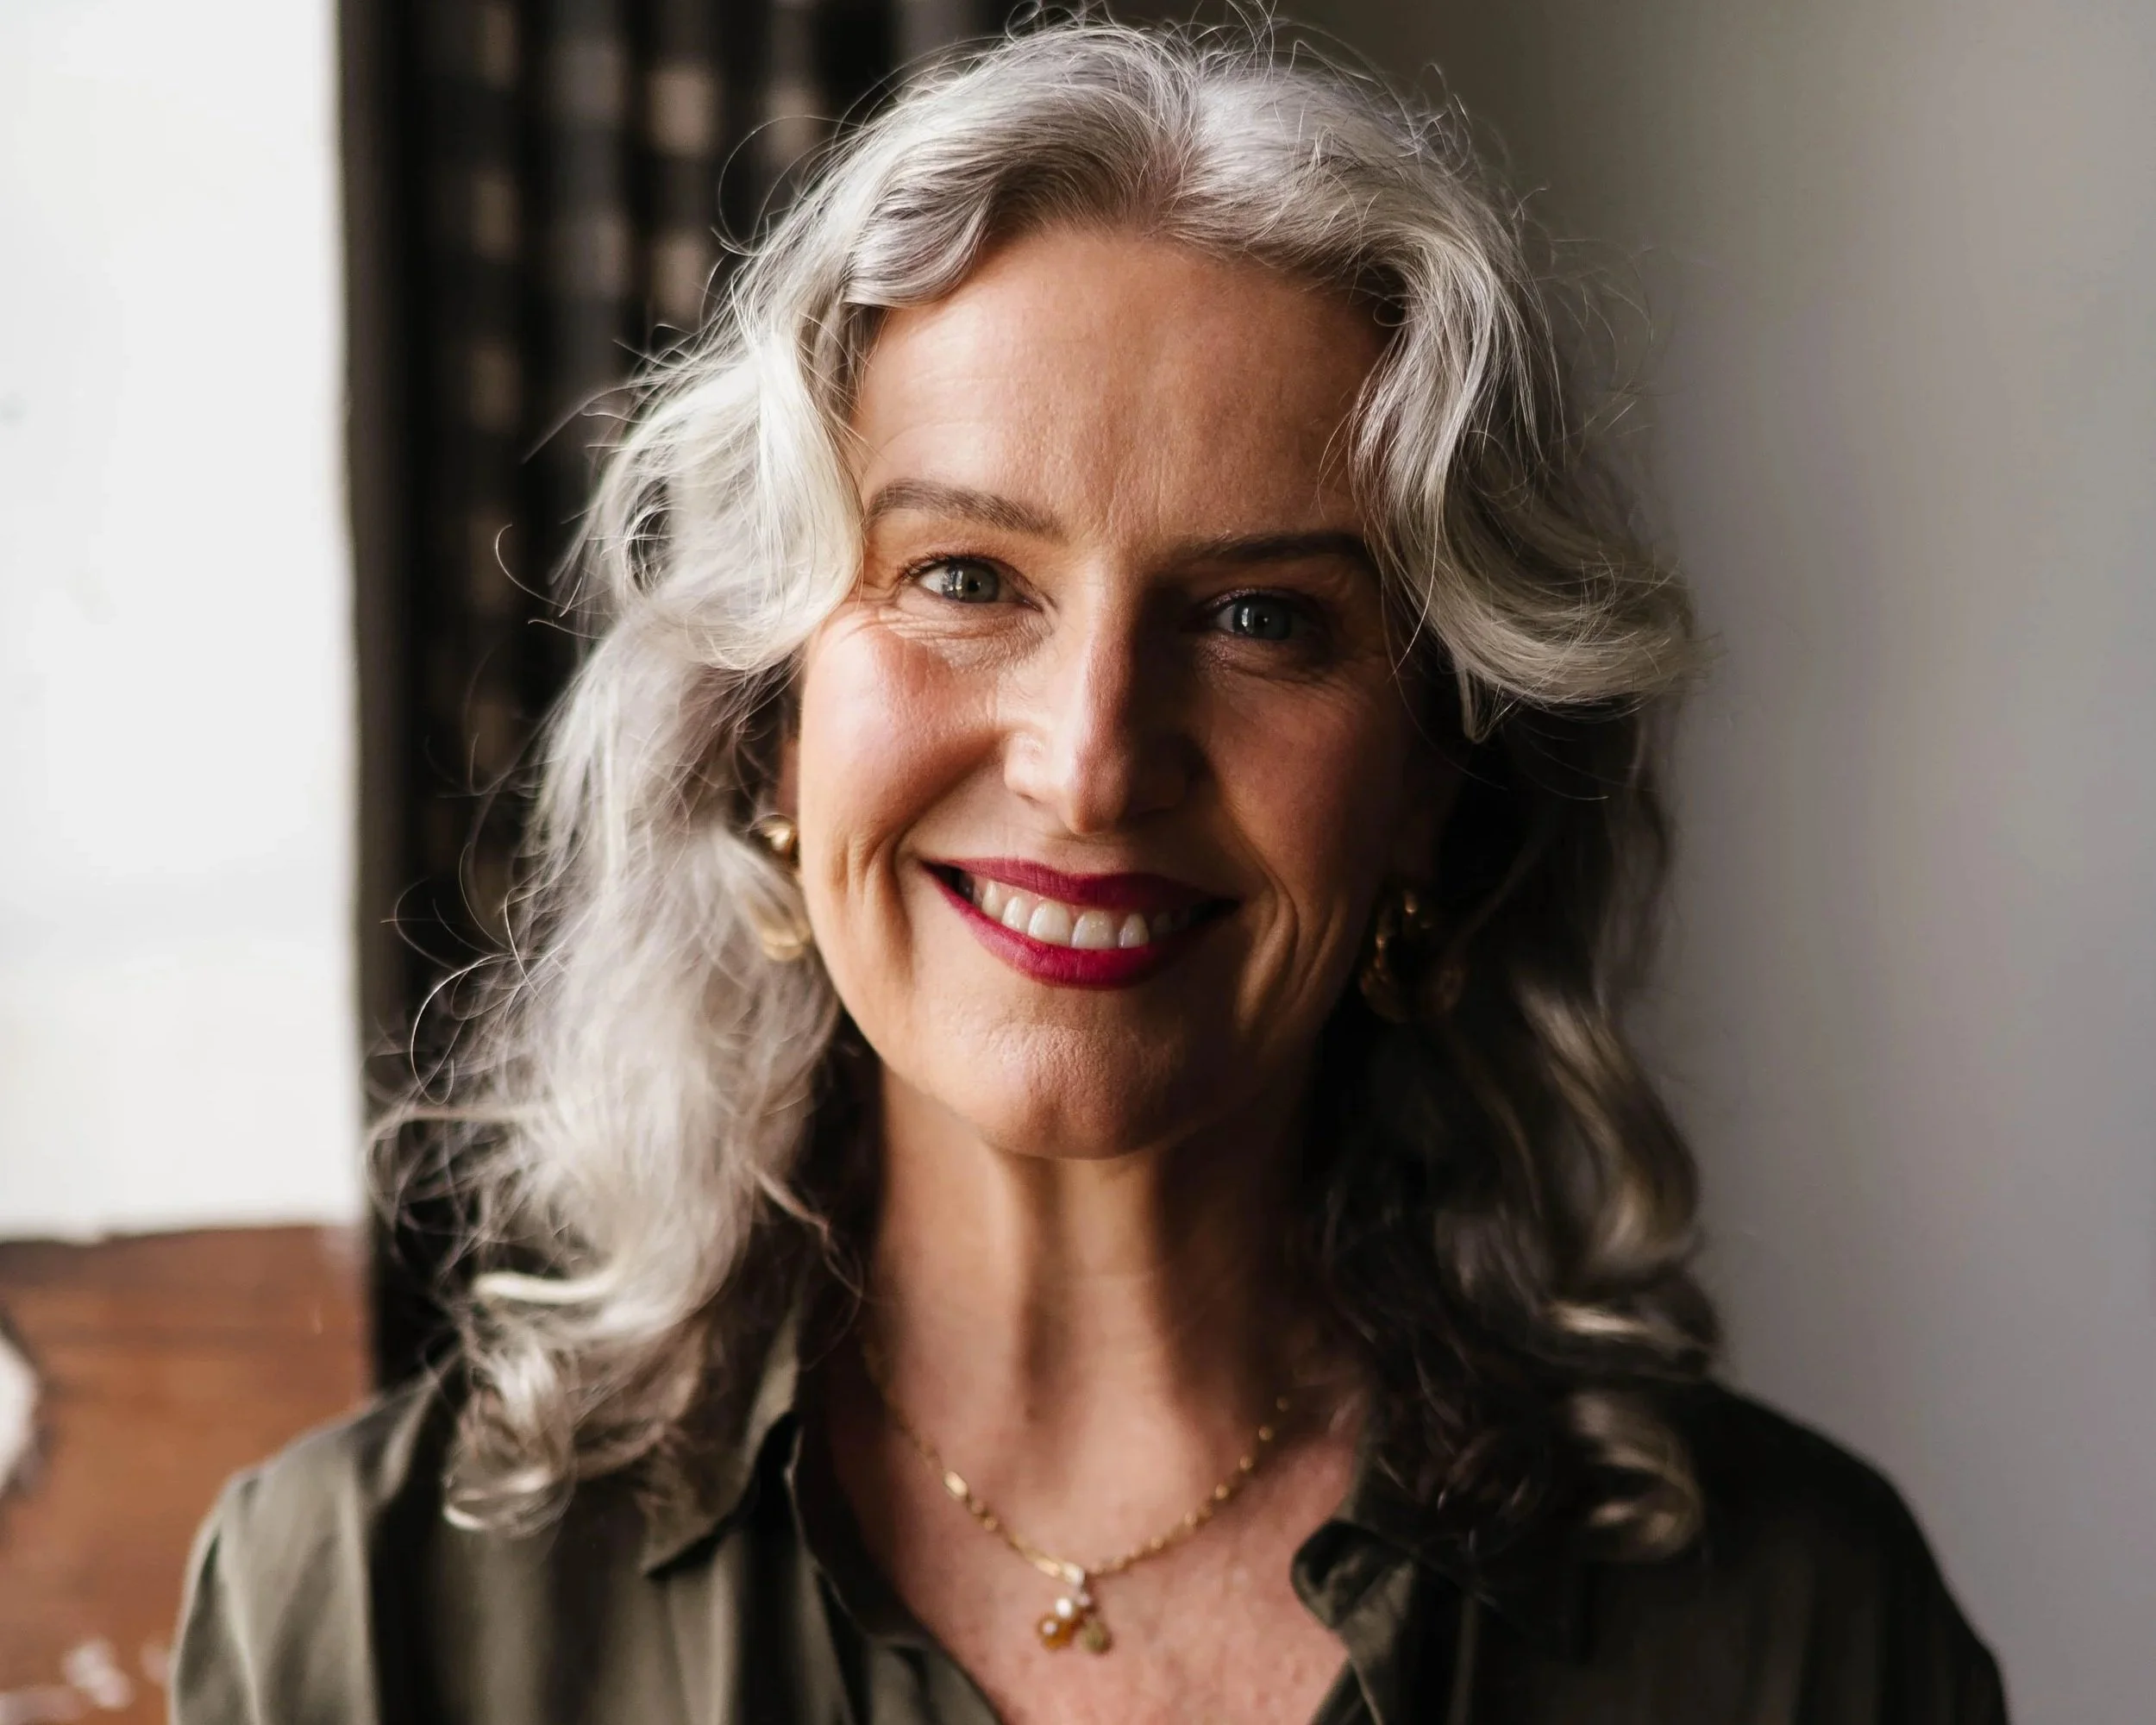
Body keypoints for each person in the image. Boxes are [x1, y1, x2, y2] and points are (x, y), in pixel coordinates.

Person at [172, 22, 2006, 1724]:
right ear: (764, 731)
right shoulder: (359, 1611)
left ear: (1437, 791)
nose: (1090, 757)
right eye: (963, 576)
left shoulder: (1795, 1632)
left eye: (1261, 615)